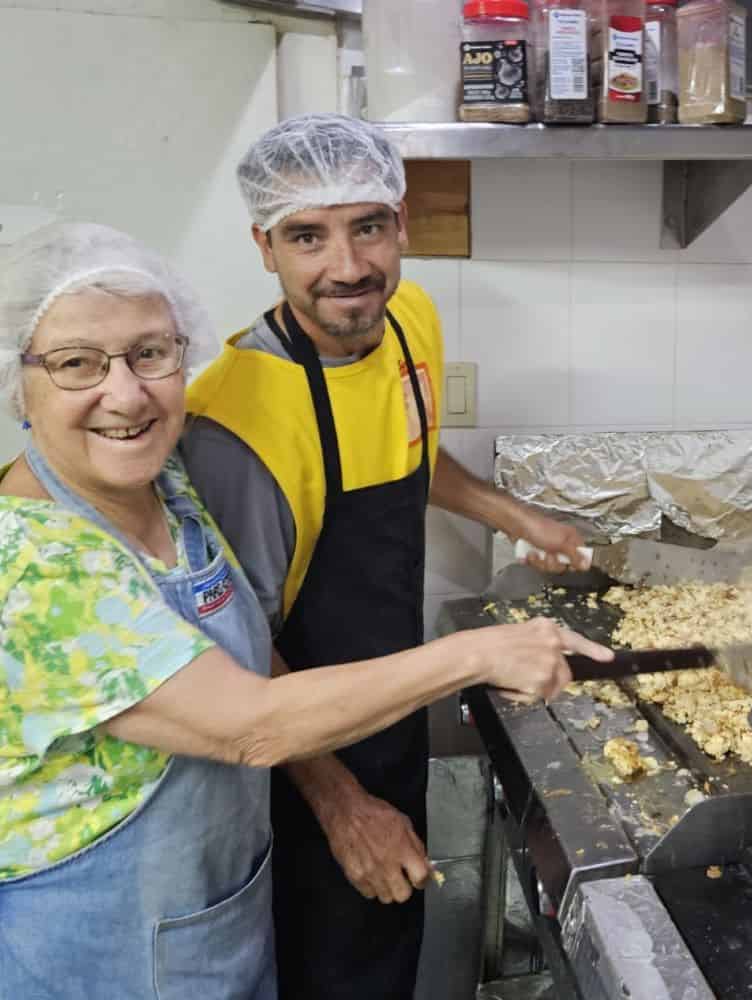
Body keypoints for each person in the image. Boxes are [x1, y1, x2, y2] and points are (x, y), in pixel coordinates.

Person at [0, 221, 610, 1000]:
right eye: (76, 363)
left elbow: (248, 642)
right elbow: (248, 723)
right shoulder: (34, 564)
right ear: (19, 383)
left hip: (213, 922)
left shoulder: (161, 488)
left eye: (151, 353)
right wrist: (479, 653)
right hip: (99, 955)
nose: (126, 394)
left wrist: (512, 518)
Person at [181, 113, 590, 999]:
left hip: (390, 711)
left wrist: (519, 517)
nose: (348, 268)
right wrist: (343, 807)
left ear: (403, 225)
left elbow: (408, 452)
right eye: (306, 236)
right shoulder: (231, 423)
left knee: (387, 953)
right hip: (293, 769)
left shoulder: (408, 320)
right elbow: (233, 650)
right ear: (264, 247)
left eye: (367, 226)